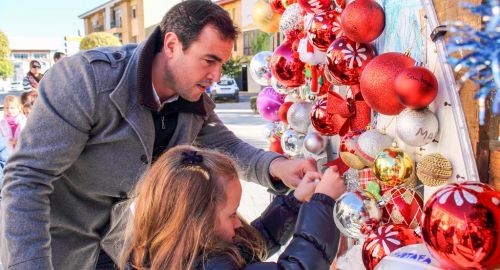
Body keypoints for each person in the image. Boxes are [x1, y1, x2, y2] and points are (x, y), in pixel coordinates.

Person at [0, 1, 317, 269]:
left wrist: (277, 167)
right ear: (171, 45)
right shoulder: (85, 81)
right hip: (51, 252)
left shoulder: (193, 100)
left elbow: (225, 145)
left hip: (117, 250)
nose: (217, 76)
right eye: (210, 60)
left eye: (222, 63)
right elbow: (26, 180)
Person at [120, 145, 344, 270]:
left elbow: (252, 244)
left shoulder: (169, 253)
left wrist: (295, 202)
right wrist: (322, 203)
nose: (238, 222)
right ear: (198, 222)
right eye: (231, 214)